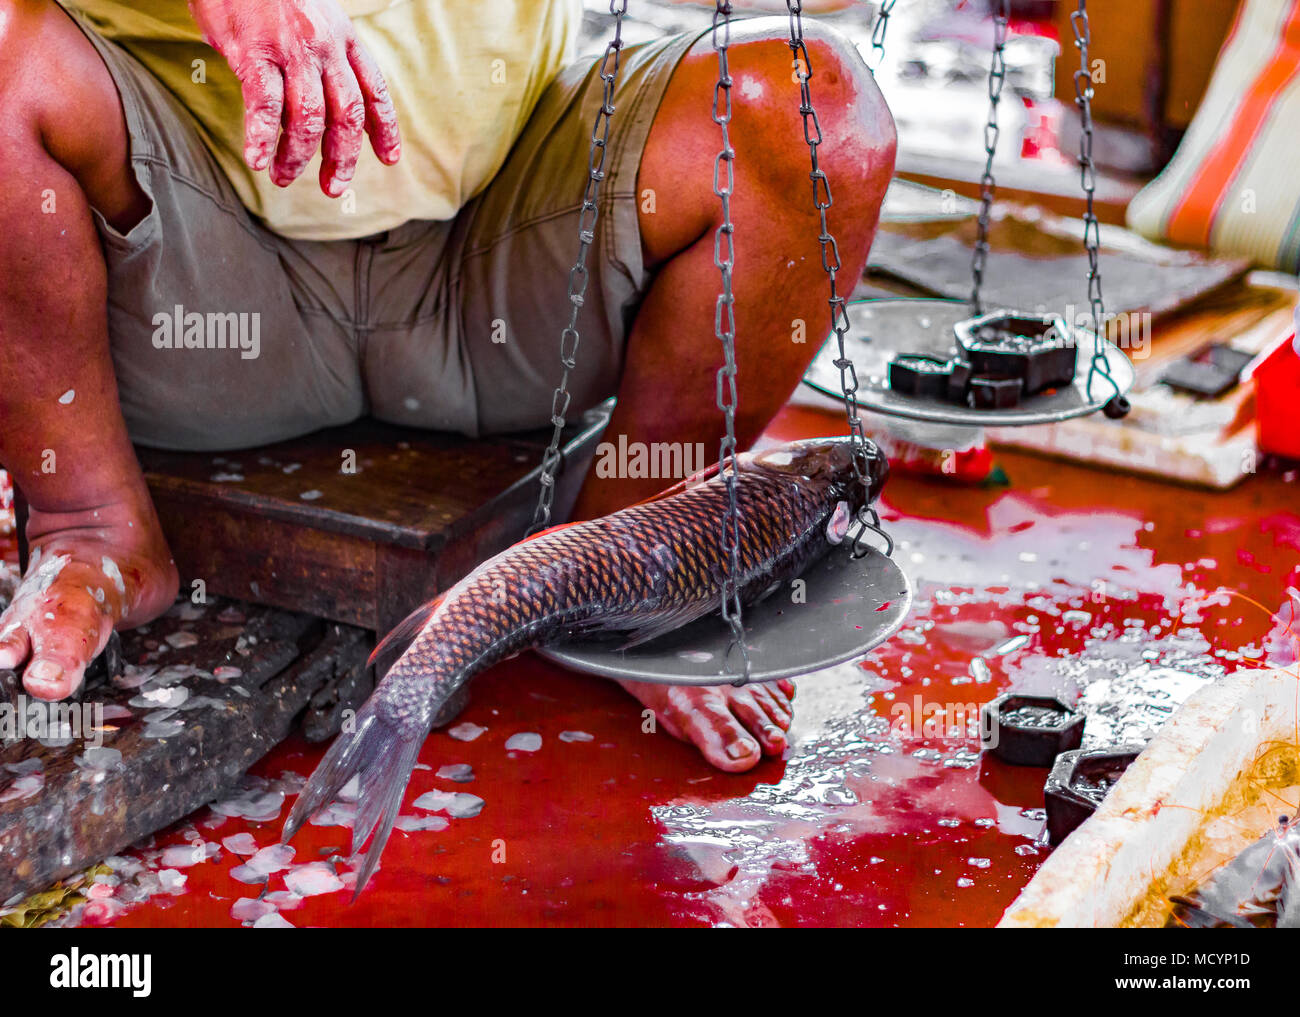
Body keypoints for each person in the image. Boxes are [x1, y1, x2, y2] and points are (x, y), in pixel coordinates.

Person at [0, 0, 895, 771]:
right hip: (186, 275)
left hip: (500, 253)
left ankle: (630, 559)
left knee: (815, 104)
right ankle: (91, 522)